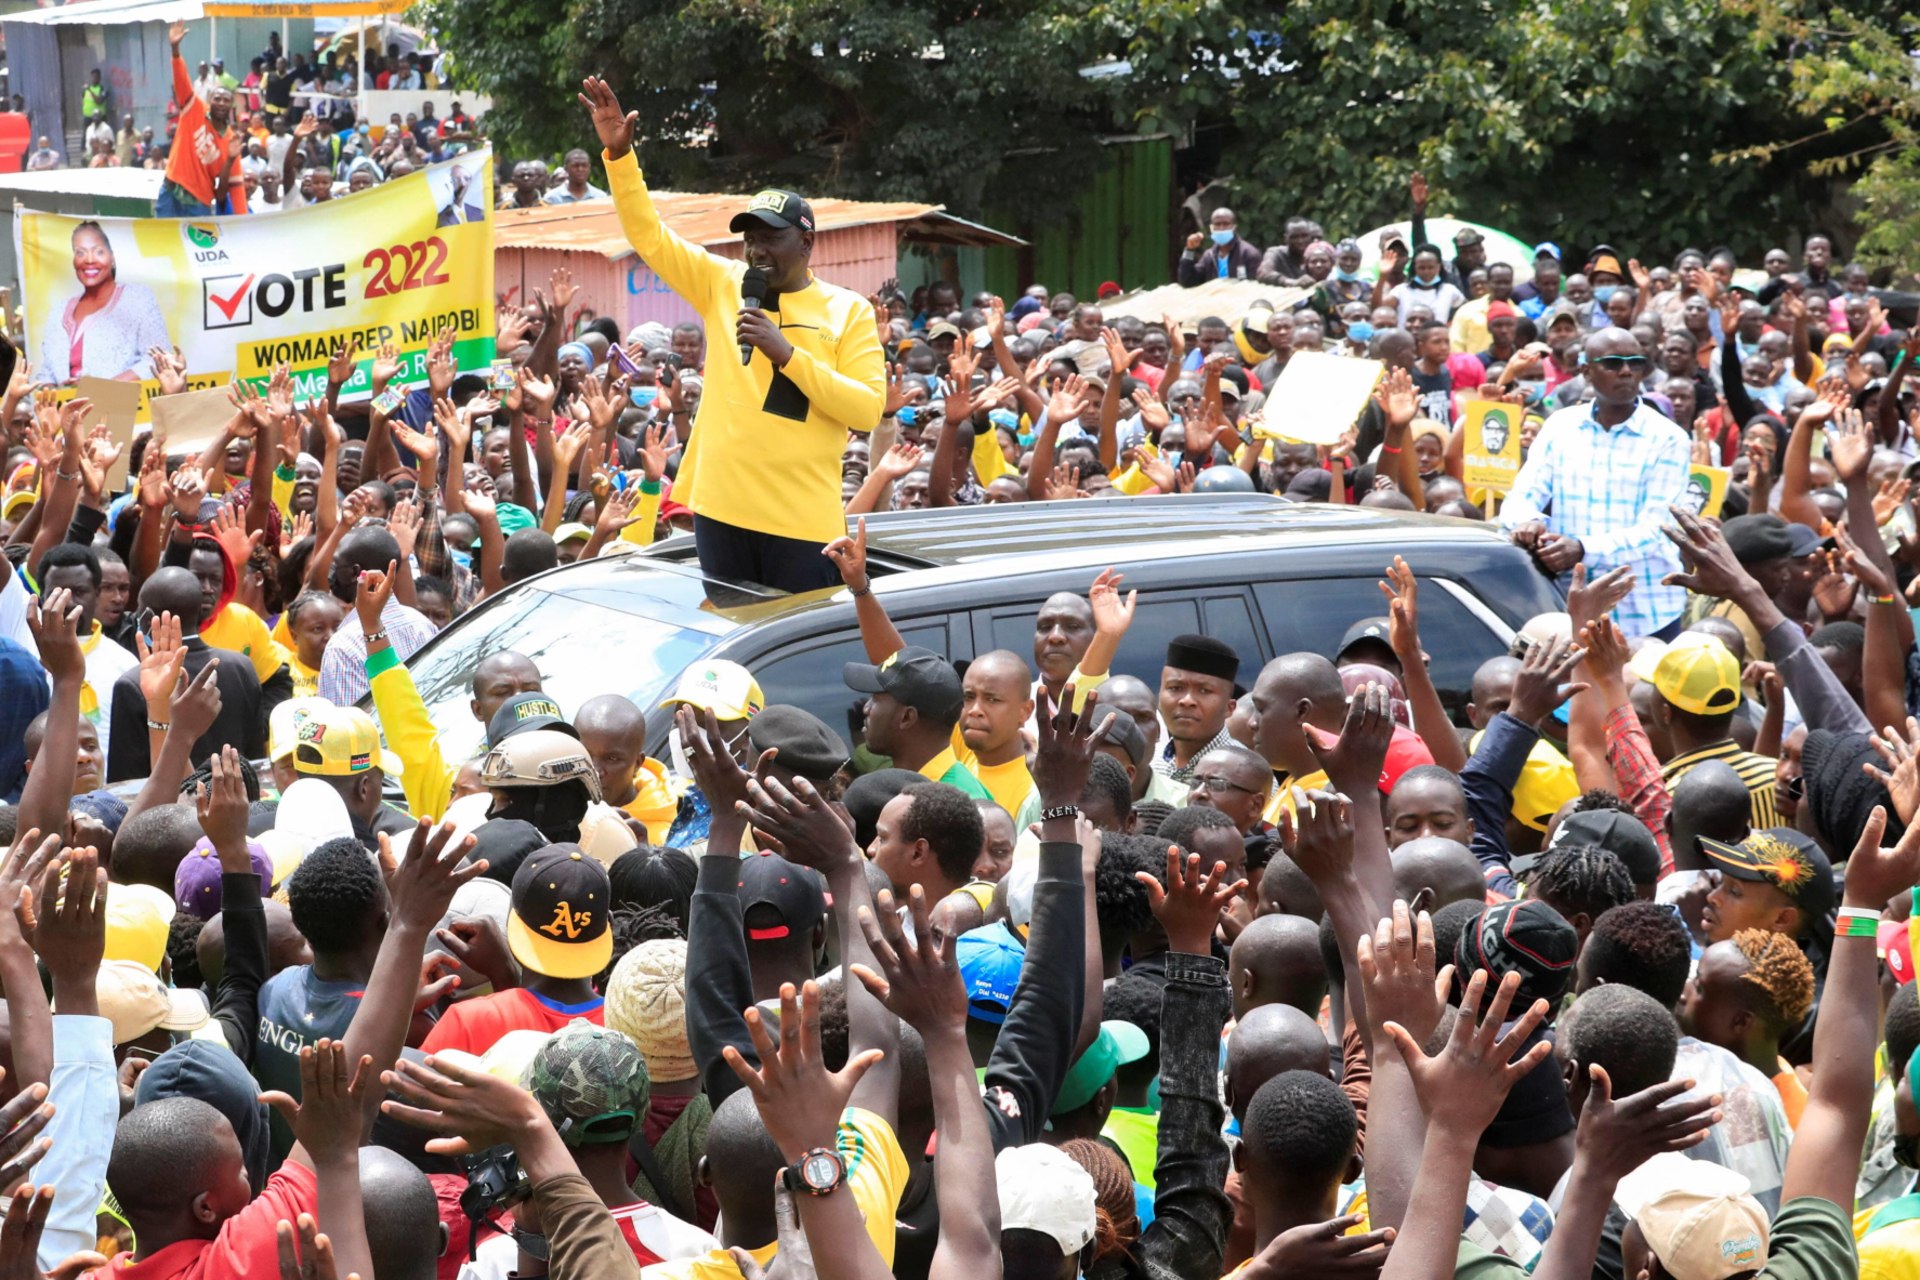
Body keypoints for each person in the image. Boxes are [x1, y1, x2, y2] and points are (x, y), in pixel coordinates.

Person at [583, 76, 884, 592]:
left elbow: (866, 410)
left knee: (792, 652)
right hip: (722, 509)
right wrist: (619, 157)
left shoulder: (848, 310)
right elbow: (649, 236)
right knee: (728, 645)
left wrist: (788, 355)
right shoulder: (723, 283)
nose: (757, 250)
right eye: (750, 239)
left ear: (806, 241)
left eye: (772, 237)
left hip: (803, 518)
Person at [1500, 327, 1693, 638]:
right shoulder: (1560, 427)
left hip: (1645, 614)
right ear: (1587, 372)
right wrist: (1529, 521)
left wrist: (1582, 549)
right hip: (1568, 608)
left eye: (1635, 362)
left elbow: (1656, 532)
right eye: (1614, 363)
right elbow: (1522, 495)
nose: (1627, 371)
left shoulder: (1668, 439)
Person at [37, 221, 169, 384]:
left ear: (112, 257)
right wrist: (50, 394)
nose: (89, 260)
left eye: (98, 251)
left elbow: (157, 358)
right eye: (80, 253)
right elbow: (47, 372)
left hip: (120, 407)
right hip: (66, 408)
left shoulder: (138, 298)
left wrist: (98, 390)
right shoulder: (58, 311)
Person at [158, 19, 247, 215]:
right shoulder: (194, 108)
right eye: (218, 98)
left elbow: (234, 189)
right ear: (209, 100)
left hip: (199, 202)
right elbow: (182, 81)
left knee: (196, 246)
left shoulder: (232, 140)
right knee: (161, 242)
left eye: (226, 100)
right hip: (171, 189)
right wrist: (175, 50)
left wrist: (244, 226)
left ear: (232, 105)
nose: (222, 103)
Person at [1177, 209, 1262, 286]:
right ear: (1211, 227)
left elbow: (1255, 287)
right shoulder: (1209, 256)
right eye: (1217, 224)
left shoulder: (1248, 254)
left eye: (1226, 224)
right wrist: (1189, 250)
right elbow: (1187, 281)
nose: (1221, 228)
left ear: (1234, 227)